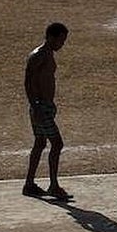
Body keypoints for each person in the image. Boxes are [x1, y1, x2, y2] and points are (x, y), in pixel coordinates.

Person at [23, 22, 72, 201]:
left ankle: (29, 184)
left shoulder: (47, 54)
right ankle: (53, 185)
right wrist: (36, 105)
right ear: (51, 37)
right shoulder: (38, 55)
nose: (62, 44)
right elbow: (28, 82)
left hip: (45, 106)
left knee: (40, 143)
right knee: (57, 144)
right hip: (40, 107)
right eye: (61, 40)